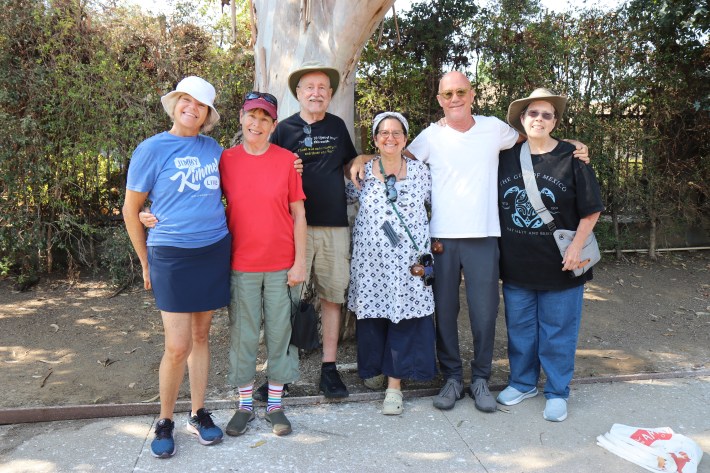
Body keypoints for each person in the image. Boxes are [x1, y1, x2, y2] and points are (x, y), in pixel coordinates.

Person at [348, 71, 589, 414]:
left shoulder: (495, 128)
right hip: (441, 240)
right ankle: (451, 378)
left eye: (461, 91)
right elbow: (395, 159)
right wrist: (359, 160)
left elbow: (536, 139)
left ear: (472, 94)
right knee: (445, 312)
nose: (455, 98)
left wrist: (572, 147)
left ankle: (480, 379)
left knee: (484, 313)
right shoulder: (430, 136)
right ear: (440, 100)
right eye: (448, 94)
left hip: (484, 237)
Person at [123, 76, 228, 458]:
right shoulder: (152, 149)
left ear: (207, 115)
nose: (192, 107)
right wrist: (145, 260)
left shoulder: (213, 148)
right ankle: (165, 419)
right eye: (186, 99)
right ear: (175, 104)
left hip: (213, 249)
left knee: (202, 337)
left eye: (200, 104)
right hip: (172, 254)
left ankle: (198, 412)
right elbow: (131, 210)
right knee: (177, 345)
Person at [496, 88, 603, 422]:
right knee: (521, 330)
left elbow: (591, 210)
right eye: (533, 113)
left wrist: (576, 246)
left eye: (546, 114)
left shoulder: (571, 157)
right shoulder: (505, 157)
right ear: (522, 119)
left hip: (562, 263)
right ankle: (523, 382)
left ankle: (557, 391)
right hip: (517, 264)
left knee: (558, 331)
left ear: (555, 121)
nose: (539, 119)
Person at [260, 61, 358, 399]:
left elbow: (349, 164)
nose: (316, 93)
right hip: (292, 227)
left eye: (322, 88)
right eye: (309, 88)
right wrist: (286, 168)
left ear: (330, 95)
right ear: (298, 95)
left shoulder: (338, 126)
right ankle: (281, 374)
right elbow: (266, 173)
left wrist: (360, 161)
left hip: (333, 225)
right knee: (286, 300)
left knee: (332, 297)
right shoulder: (283, 129)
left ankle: (329, 370)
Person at [220, 92, 307, 437]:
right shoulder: (225, 160)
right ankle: (244, 405)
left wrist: (300, 262)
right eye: (251, 117)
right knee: (243, 335)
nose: (257, 124)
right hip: (241, 264)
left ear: (273, 125)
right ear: (241, 118)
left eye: (265, 119)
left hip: (283, 266)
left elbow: (299, 213)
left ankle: (274, 405)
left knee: (280, 335)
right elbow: (197, 198)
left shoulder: (287, 160)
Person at [345, 112, 436, 415]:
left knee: (404, 315)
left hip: (409, 264)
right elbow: (340, 199)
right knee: (373, 314)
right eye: (383, 133)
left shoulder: (422, 172)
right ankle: (374, 369)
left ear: (406, 138)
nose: (390, 138)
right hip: (371, 262)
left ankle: (394, 387)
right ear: (374, 139)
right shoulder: (362, 173)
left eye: (397, 133)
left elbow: (440, 205)